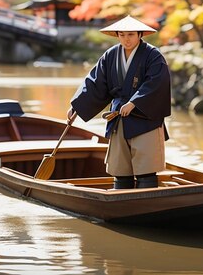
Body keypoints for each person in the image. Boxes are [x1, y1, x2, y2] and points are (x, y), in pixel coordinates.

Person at [67, 15, 172, 189]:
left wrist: (134, 102)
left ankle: (147, 202)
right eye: (122, 35)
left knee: (146, 168)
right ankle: (121, 199)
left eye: (130, 34)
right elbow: (95, 82)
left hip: (145, 117)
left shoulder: (153, 55)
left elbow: (156, 82)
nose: (126, 39)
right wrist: (77, 106)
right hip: (119, 117)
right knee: (120, 169)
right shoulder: (111, 55)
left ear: (140, 35)